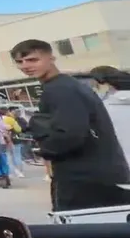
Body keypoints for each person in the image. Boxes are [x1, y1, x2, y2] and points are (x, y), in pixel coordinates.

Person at [12, 39, 130, 211]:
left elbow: (70, 134)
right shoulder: (67, 85)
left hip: (84, 180)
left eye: (32, 60)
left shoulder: (60, 89)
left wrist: (43, 140)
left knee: (80, 226)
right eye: (20, 62)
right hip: (98, 175)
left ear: (51, 58)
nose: (25, 66)